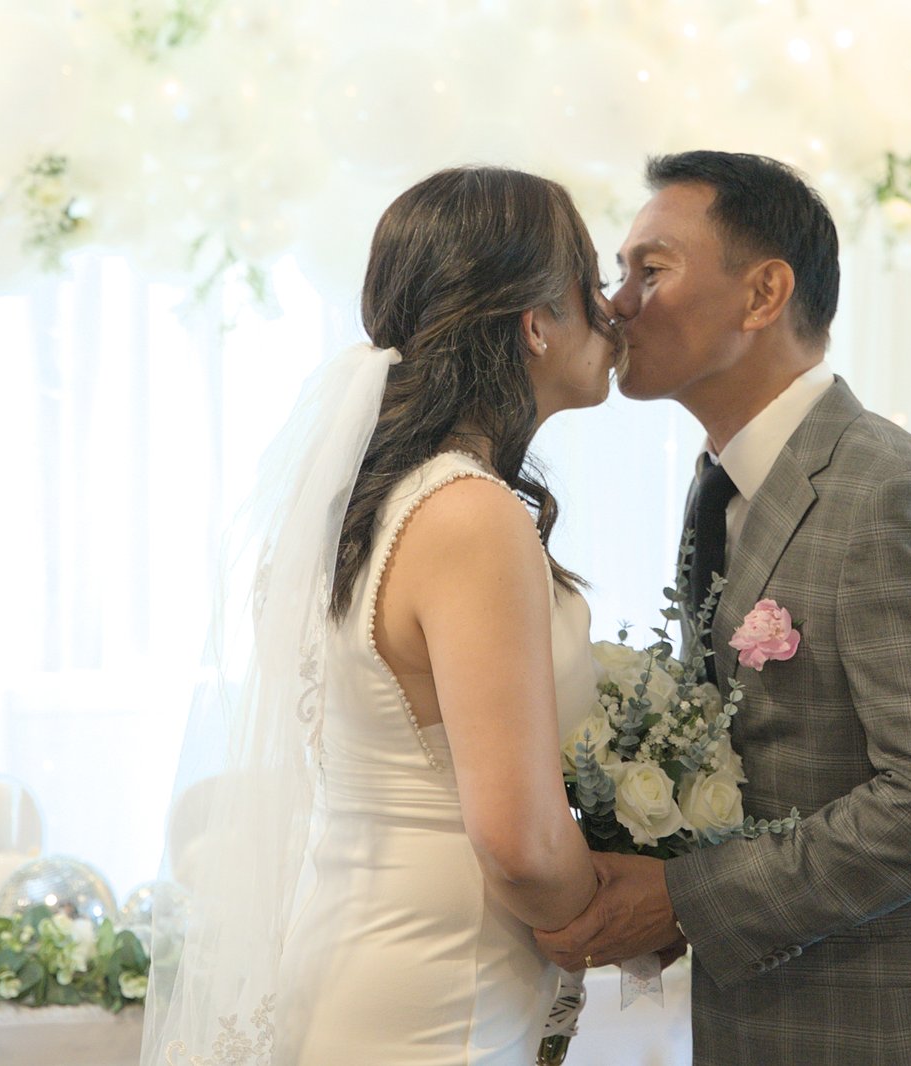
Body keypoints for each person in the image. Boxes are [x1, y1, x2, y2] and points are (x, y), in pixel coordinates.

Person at [535, 151, 911, 1065]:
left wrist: (688, 899)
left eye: (650, 270)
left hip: (902, 1026)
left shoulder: (889, 492)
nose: (616, 304)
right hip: (775, 1009)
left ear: (763, 293)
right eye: (622, 272)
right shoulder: (718, 483)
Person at [141, 167, 622, 1065]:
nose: (614, 311)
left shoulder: (377, 499)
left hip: (370, 946)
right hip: (437, 990)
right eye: (591, 282)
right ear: (536, 323)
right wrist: (616, 913)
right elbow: (517, 841)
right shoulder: (470, 514)